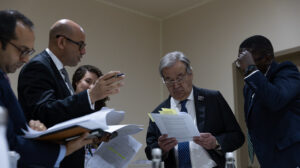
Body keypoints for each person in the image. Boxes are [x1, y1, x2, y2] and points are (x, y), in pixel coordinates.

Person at [17, 19, 124, 167]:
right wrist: (91, 95)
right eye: (80, 45)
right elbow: (43, 113)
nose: (84, 51)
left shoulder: (62, 72)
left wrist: (94, 135)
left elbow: (63, 120)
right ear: (61, 42)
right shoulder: (38, 66)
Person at [0, 9, 96, 168]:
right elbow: (9, 141)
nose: (25, 59)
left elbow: (16, 129)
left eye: (29, 52)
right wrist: (63, 150)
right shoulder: (39, 66)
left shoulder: (4, 77)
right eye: (22, 50)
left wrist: (31, 129)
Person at [145, 51, 245, 168]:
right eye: (169, 80)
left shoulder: (212, 99)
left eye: (180, 77)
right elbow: (150, 153)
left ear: (190, 73)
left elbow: (237, 137)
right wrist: (161, 148)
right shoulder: (158, 113)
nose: (175, 85)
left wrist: (216, 142)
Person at [235, 35, 300, 168]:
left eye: (247, 60)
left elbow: (275, 100)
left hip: (292, 158)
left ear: (268, 57)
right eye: (241, 61)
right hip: (268, 159)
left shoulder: (286, 71)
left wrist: (251, 69)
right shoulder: (249, 87)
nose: (243, 66)